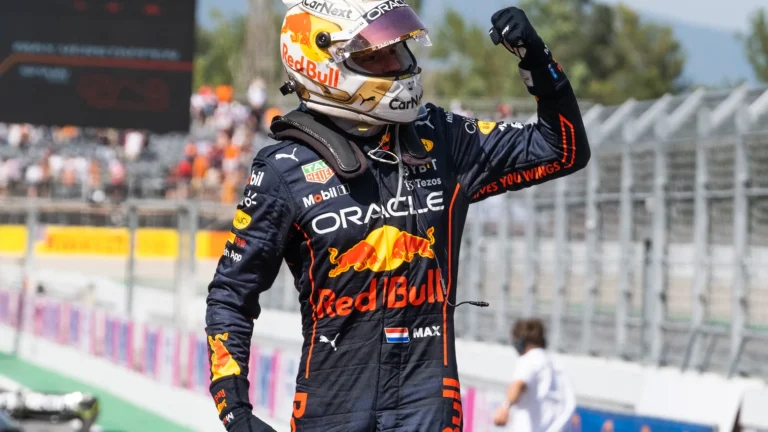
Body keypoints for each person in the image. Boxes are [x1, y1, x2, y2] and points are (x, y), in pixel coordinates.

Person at [204, 1, 591, 430]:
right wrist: (235, 410)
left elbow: (563, 149)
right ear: (321, 65)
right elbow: (230, 297)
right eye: (376, 56)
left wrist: (536, 59)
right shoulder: (283, 168)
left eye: (399, 50)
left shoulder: (443, 138)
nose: (397, 65)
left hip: (428, 403)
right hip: (332, 407)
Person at [493, 318, 576, 431]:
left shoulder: (530, 359)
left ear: (520, 343)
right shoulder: (557, 366)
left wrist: (505, 406)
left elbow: (518, 384)